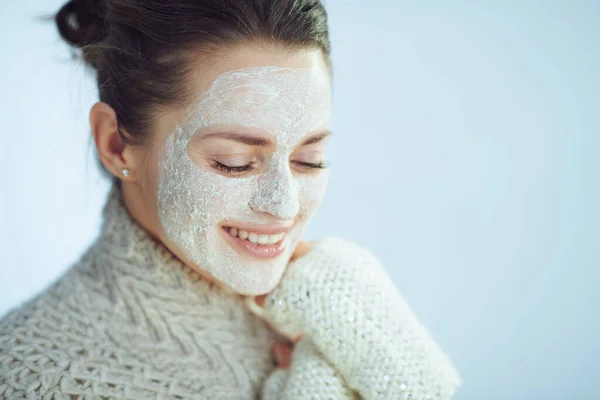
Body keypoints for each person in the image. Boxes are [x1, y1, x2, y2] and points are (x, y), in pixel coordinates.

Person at [0, 0, 462, 398]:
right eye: (235, 162)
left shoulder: (329, 317)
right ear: (116, 144)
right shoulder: (28, 376)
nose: (284, 206)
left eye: (310, 159)